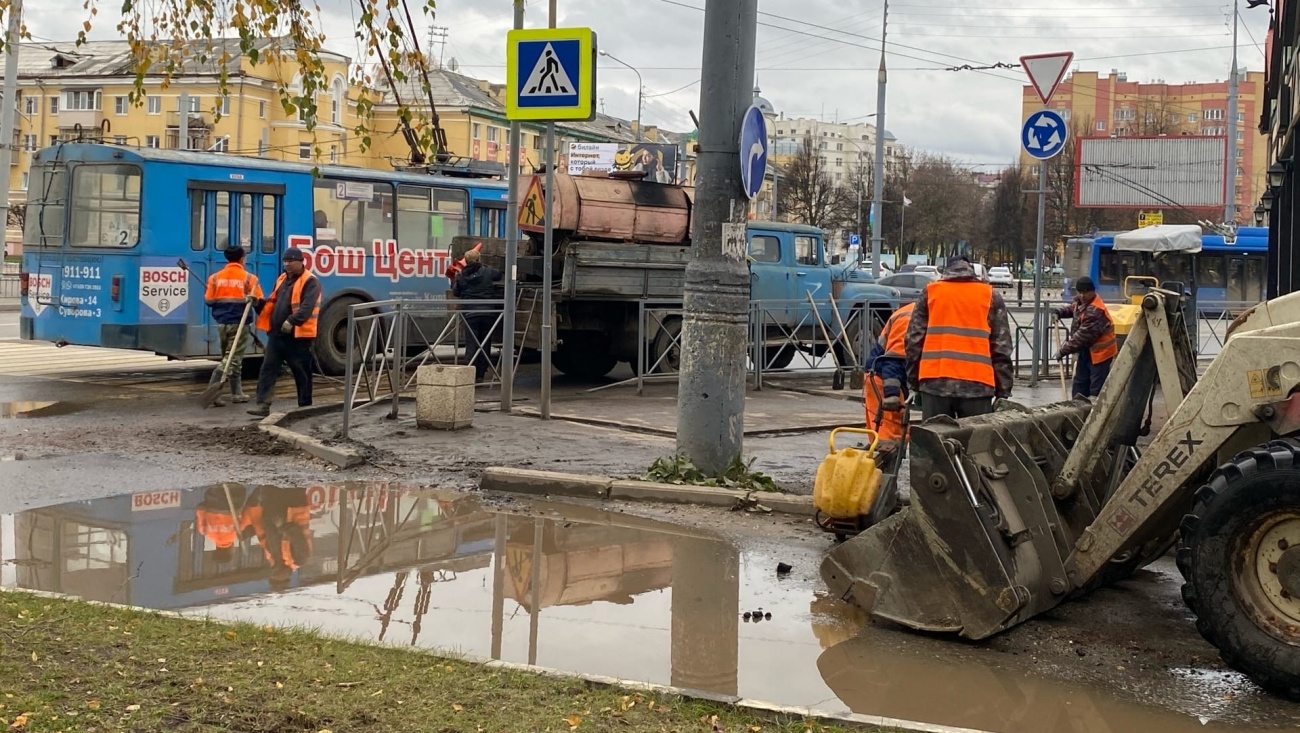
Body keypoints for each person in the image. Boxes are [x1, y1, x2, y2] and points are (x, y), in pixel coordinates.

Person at [905, 256, 1014, 420]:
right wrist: (1002, 392)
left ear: (946, 270)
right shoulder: (990, 295)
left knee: (935, 435)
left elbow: (914, 341)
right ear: (971, 270)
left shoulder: (931, 293)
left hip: (935, 383)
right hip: (978, 385)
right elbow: (1001, 348)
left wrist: (914, 382)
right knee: (976, 436)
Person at [247, 247, 321, 416]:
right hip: (277, 334)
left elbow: (307, 308)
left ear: (301, 262)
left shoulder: (310, 281)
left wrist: (292, 321)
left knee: (301, 371)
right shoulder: (282, 279)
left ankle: (305, 405)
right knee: (268, 368)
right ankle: (262, 404)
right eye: (285, 261)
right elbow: (272, 303)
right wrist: (258, 303)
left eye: (291, 261)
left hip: (298, 337)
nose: (287, 264)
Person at [203, 246, 263, 405]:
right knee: (232, 359)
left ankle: (237, 393)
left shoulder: (214, 278)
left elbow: (209, 301)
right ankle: (212, 393)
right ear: (242, 259)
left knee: (230, 358)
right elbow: (258, 301)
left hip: (222, 324)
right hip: (239, 324)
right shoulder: (250, 278)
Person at [1053, 275, 1117, 398]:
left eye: (1086, 292)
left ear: (1093, 291)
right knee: (1080, 384)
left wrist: (1063, 351)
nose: (1082, 295)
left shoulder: (1096, 311)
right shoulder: (1083, 302)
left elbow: (1081, 337)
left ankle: (1094, 408)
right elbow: (1074, 308)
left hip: (1101, 354)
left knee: (1096, 388)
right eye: (1080, 292)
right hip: (1087, 350)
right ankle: (1078, 406)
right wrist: (1059, 312)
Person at [452, 248, 503, 381]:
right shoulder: (488, 271)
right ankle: (481, 372)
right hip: (488, 312)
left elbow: (456, 292)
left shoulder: (461, 275)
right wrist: (484, 266)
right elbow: (499, 275)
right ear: (479, 259)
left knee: (471, 343)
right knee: (485, 342)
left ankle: (470, 372)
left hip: (470, 313)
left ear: (466, 261)